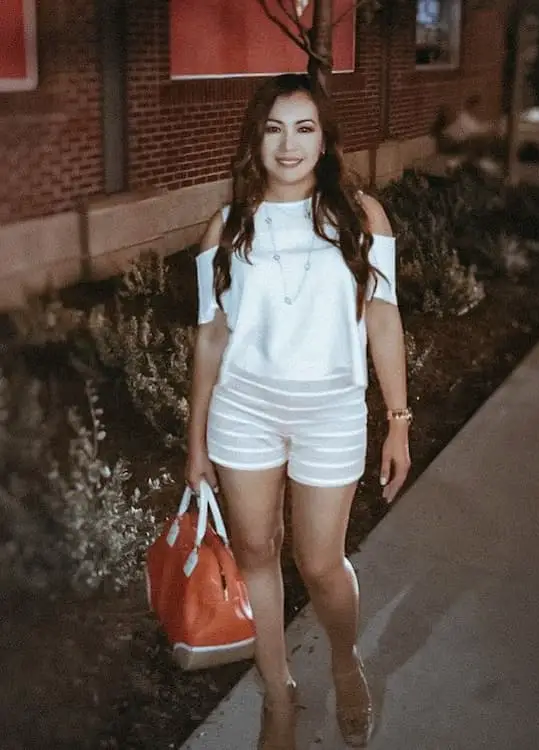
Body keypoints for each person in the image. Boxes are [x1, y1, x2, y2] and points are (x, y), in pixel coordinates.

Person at [185, 73, 411, 750]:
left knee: (319, 563)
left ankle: (344, 664)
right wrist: (194, 442)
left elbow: (383, 320)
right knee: (257, 553)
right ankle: (277, 692)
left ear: (324, 139)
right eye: (275, 128)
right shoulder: (223, 228)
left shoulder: (360, 216)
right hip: (244, 411)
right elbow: (210, 337)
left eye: (304, 128)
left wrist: (397, 420)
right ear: (256, 138)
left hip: (331, 413)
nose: (289, 144)